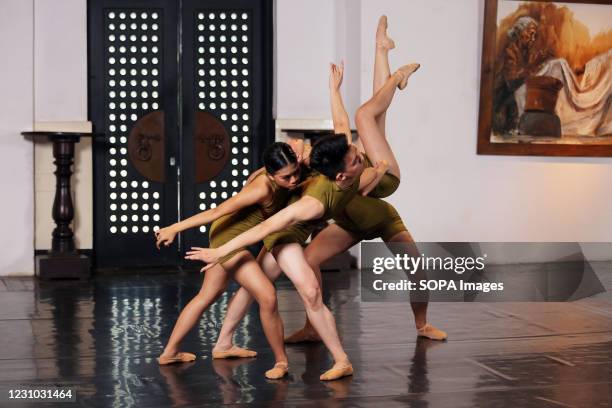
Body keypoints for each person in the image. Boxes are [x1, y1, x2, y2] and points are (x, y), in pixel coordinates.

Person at [211, 15, 447, 352]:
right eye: (297, 153)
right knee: (307, 261)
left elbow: (341, 125)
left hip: (382, 216)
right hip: (350, 223)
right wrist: (259, 179)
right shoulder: (323, 179)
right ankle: (310, 327)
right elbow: (281, 201)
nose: (300, 152)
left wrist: (334, 90)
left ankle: (422, 324)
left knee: (417, 268)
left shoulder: (345, 165)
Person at [155, 142, 302, 379]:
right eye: (286, 177)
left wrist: (300, 148)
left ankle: (171, 352)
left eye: (296, 172)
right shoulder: (261, 189)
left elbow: (302, 150)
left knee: (207, 295)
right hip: (227, 238)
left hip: (232, 236)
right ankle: (281, 362)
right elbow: (216, 211)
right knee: (267, 295)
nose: (294, 180)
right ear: (270, 173)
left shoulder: (288, 170)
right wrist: (174, 228)